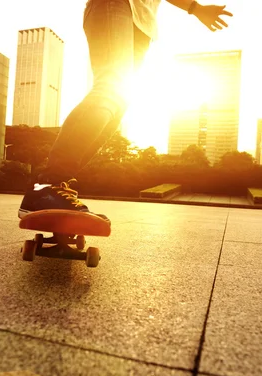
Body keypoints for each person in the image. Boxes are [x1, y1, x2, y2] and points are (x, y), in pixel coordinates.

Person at [18, 0, 233, 219]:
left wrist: (194, 9)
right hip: (117, 4)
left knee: (118, 103)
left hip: (142, 23)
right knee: (110, 86)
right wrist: (194, 8)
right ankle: (47, 185)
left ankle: (55, 187)